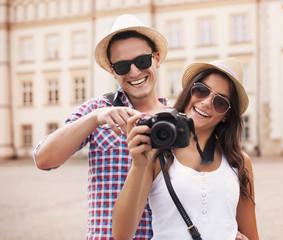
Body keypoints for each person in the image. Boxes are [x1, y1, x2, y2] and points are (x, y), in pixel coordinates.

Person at [33, 14, 169, 239]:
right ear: (112, 70)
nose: (134, 72)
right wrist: (95, 117)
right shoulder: (98, 110)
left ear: (156, 58)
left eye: (142, 61)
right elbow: (44, 159)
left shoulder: (179, 118)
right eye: (123, 66)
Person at [112, 58, 259, 240]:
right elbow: (121, 234)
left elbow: (252, 236)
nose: (206, 102)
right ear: (189, 91)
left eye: (220, 102)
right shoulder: (157, 154)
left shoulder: (239, 162)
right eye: (201, 90)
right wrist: (137, 165)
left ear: (226, 116)